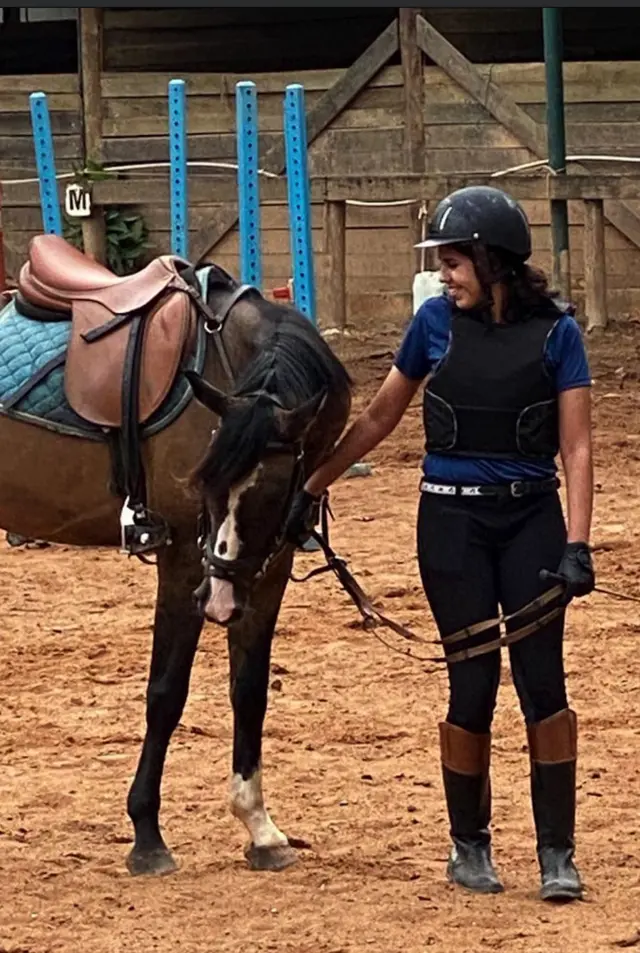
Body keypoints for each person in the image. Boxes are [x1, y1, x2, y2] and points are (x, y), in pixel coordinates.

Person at [285, 186, 595, 902]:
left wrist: (577, 542)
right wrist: (314, 484)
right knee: (473, 682)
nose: (444, 275)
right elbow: (378, 419)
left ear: (493, 263)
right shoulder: (432, 325)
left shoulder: (558, 333)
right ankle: (470, 845)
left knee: (543, 681)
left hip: (531, 521)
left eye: (454, 262)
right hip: (451, 524)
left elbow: (576, 449)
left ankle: (556, 852)